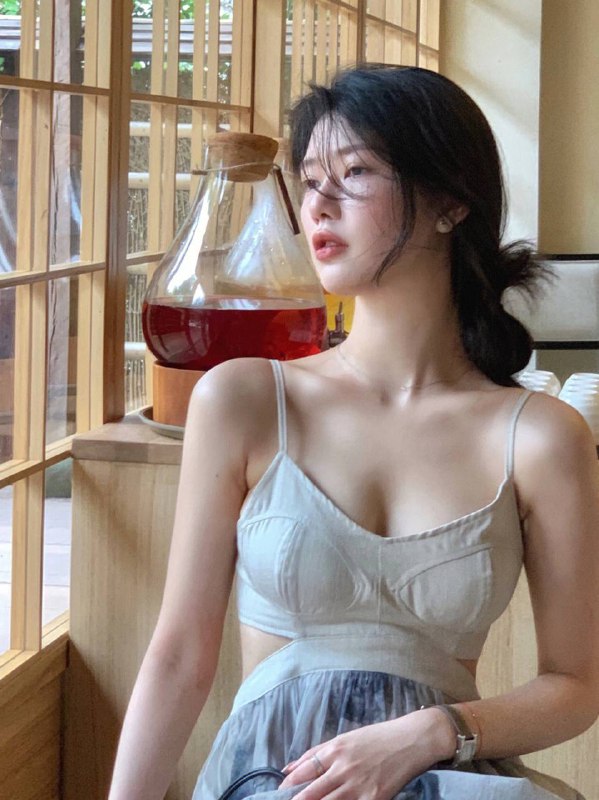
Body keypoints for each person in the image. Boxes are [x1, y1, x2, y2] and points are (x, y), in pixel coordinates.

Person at [108, 65, 599, 800]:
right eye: (310, 180)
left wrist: (432, 732)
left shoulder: (538, 436)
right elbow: (178, 658)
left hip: (446, 777)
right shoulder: (245, 399)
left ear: (449, 202)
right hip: (274, 780)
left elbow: (575, 685)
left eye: (355, 172)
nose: (318, 204)